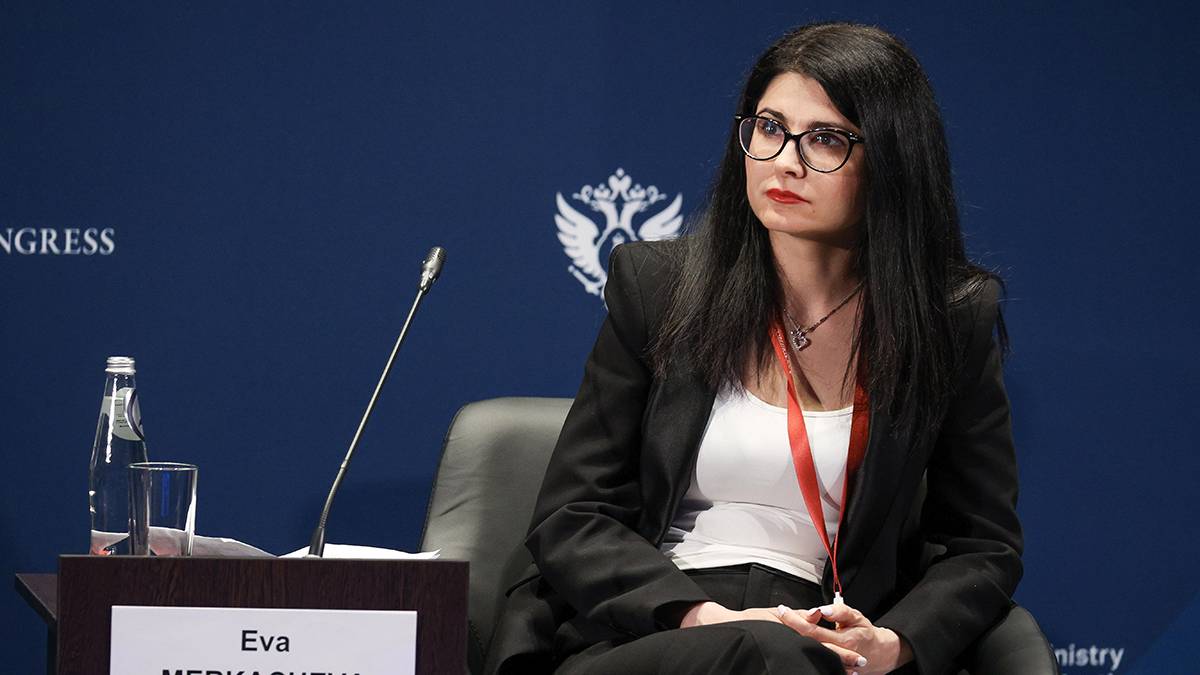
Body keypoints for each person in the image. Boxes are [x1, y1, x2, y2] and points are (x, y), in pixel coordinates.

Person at [486, 21, 1022, 675]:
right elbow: (572, 515)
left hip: (823, 632)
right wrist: (708, 618)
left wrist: (892, 642)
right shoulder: (658, 288)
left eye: (825, 139)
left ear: (891, 161)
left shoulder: (947, 322)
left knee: (788, 655)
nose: (785, 161)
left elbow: (981, 545)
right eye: (769, 128)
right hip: (648, 627)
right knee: (764, 651)